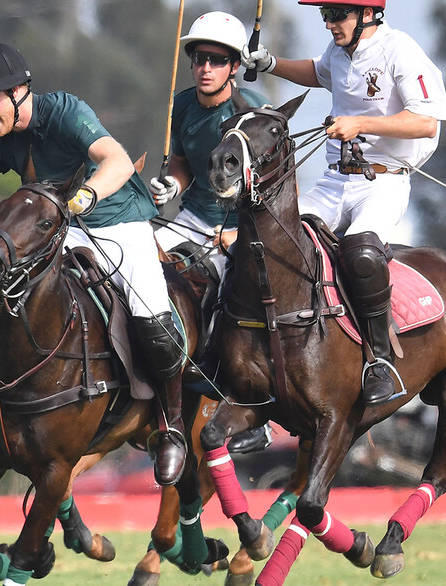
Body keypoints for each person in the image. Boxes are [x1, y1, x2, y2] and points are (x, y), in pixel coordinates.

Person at [0, 42, 188, 486]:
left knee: (151, 319)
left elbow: (115, 160)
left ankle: (172, 425)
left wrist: (88, 194)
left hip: (117, 222)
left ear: (20, 90)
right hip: (60, 231)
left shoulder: (64, 112)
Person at [241, 1, 446, 405]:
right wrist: (270, 63)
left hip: (383, 181)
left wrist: (361, 123)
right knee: (273, 242)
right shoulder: (339, 53)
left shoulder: (399, 49)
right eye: (325, 15)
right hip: (336, 181)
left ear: (369, 14)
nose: (330, 23)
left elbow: (426, 122)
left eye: (338, 14)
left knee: (362, 253)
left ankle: (380, 362)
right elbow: (316, 72)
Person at [149, 11, 272, 454]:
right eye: (200, 58)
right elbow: (182, 163)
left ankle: (253, 400)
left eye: (217, 60)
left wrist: (240, 236)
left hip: (242, 226)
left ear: (235, 67)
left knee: (231, 297)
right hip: (192, 218)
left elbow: (271, 186)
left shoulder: (252, 111)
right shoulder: (182, 105)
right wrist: (172, 185)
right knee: (134, 264)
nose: (205, 67)